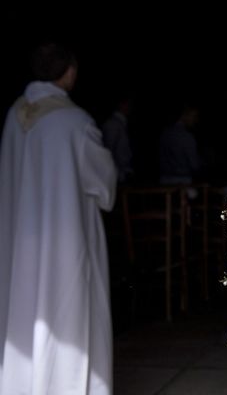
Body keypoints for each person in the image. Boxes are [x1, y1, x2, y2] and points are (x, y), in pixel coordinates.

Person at [0, 42, 117, 395]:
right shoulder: (74, 122)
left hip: (21, 240)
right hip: (66, 242)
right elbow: (105, 185)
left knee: (23, 312)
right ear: (68, 72)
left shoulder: (13, 116)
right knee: (69, 317)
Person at [158, 104, 202, 185]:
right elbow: (194, 164)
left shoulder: (165, 133)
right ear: (184, 115)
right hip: (183, 181)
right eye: (194, 116)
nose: (196, 120)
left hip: (164, 180)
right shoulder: (187, 136)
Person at [102, 93, 133, 183]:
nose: (130, 107)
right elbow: (108, 151)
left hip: (125, 174)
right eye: (128, 104)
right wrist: (118, 174)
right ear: (121, 104)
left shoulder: (122, 124)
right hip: (118, 177)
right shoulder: (113, 124)